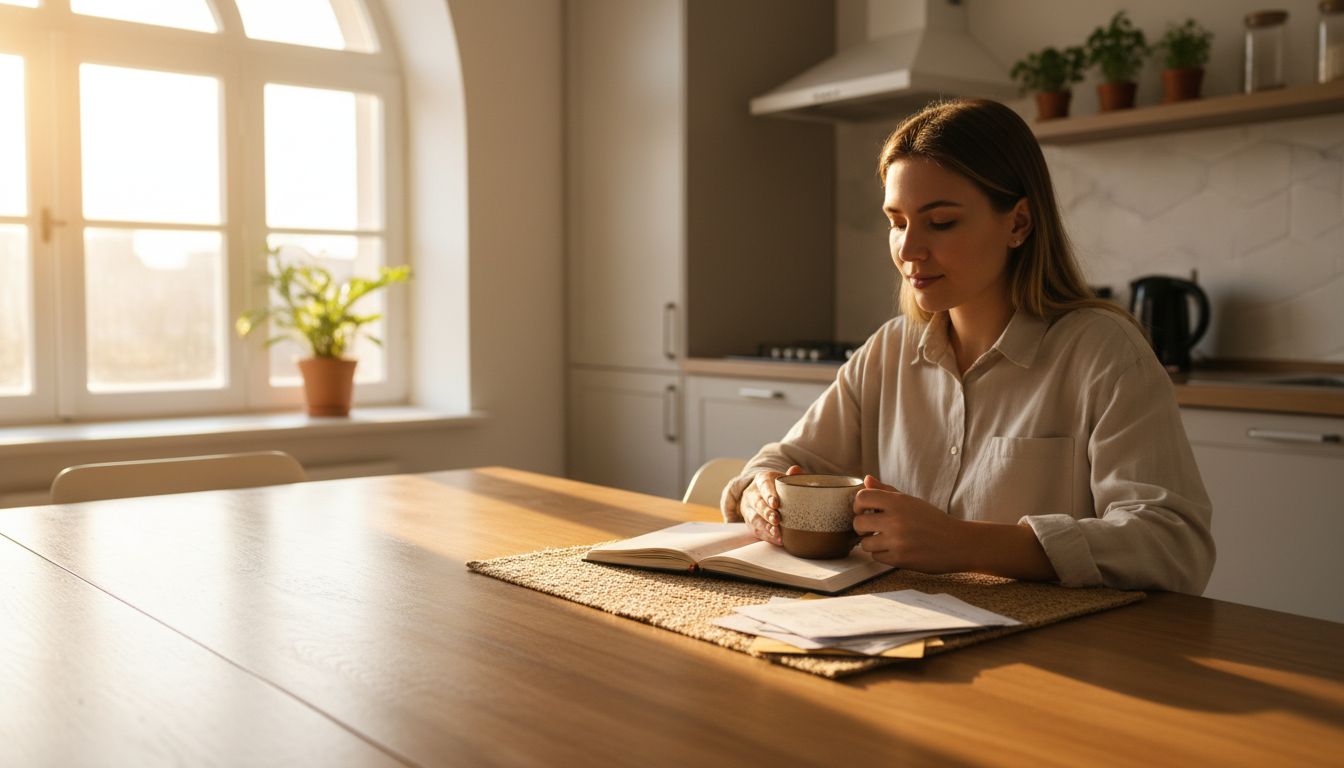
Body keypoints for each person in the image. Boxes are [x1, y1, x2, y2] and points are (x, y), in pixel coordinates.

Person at [721, 99, 1214, 594]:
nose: (908, 250)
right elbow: (780, 462)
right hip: (905, 626)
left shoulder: (1104, 353)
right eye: (897, 222)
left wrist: (964, 543)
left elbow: (1172, 544)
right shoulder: (888, 351)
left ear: (1018, 223)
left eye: (940, 222)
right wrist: (759, 495)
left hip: (1057, 639)